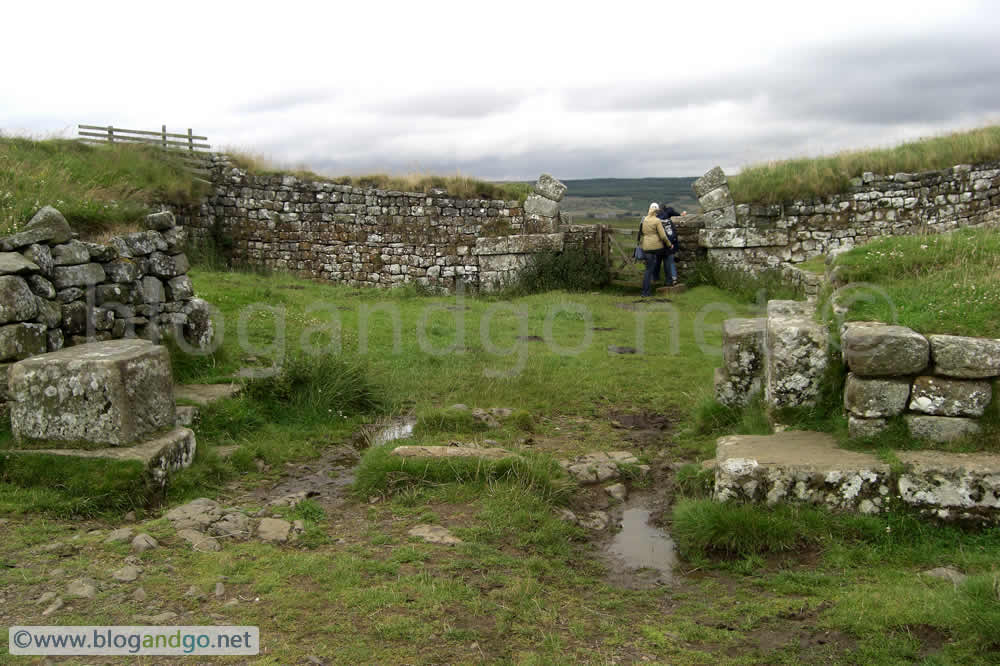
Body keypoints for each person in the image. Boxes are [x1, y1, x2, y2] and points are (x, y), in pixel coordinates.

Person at [639, 203, 672, 297]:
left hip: (646, 246)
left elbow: (641, 232)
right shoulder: (657, 220)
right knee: (666, 256)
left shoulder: (644, 219)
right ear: (656, 211)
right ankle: (669, 280)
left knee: (648, 270)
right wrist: (669, 244)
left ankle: (645, 292)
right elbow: (663, 236)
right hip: (656, 247)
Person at [656, 204, 683, 286]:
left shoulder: (656, 219)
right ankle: (673, 279)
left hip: (659, 245)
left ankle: (656, 279)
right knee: (670, 262)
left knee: (657, 262)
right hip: (670, 244)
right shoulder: (668, 219)